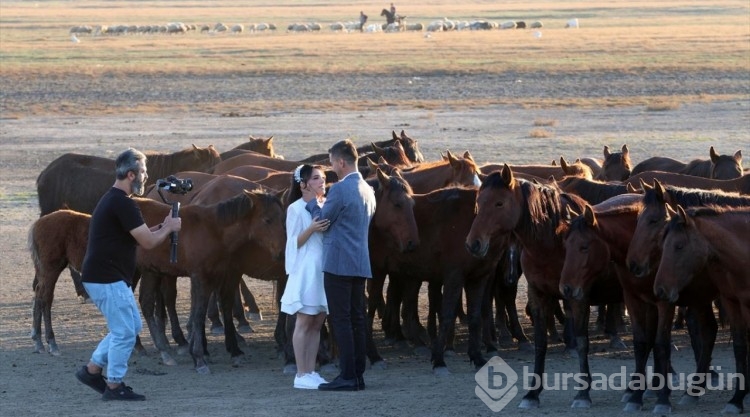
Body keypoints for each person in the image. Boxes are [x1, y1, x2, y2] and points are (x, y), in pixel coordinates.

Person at [75, 148, 181, 401]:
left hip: (104, 277)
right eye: (143, 172)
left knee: (128, 327)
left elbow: (138, 234)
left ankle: (92, 371)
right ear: (131, 174)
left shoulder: (114, 200)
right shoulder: (122, 203)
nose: (146, 176)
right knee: (124, 332)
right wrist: (169, 228)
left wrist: (163, 227)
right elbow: (149, 243)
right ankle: (114, 386)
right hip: (107, 279)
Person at [306, 139, 376, 391]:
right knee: (357, 318)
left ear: (342, 162)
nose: (332, 167)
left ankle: (347, 375)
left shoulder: (340, 190)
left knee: (342, 320)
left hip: (338, 263)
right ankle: (357, 374)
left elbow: (323, 222)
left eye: (333, 162)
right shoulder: (368, 189)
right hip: (360, 262)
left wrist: (314, 202)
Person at [280, 164, 331, 389]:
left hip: (323, 268)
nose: (322, 182)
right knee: (304, 321)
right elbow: (293, 243)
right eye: (316, 178)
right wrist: (311, 228)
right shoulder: (295, 208)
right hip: (307, 268)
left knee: (318, 321)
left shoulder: (325, 205)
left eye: (323, 178)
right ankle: (301, 374)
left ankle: (311, 370)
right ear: (303, 184)